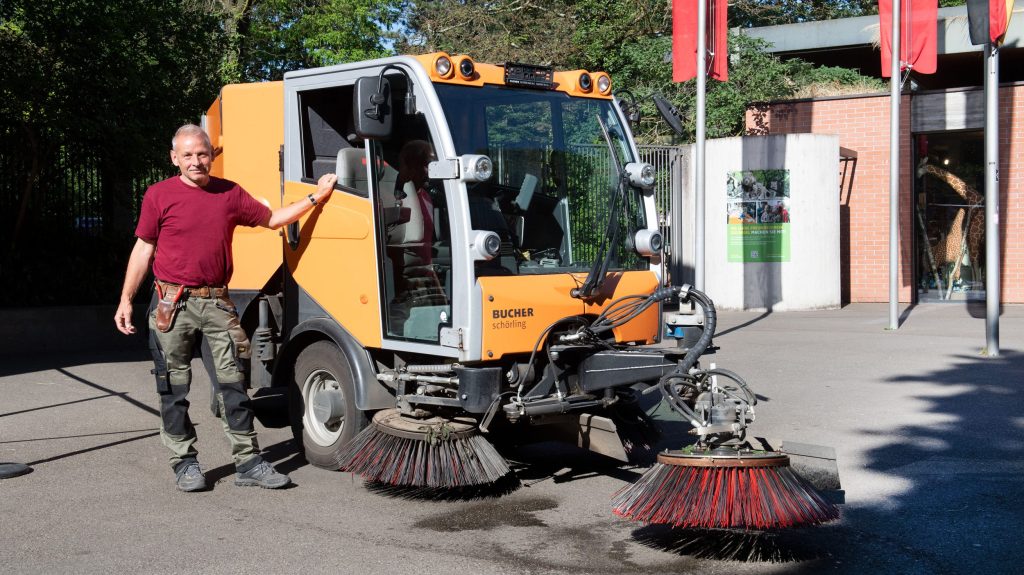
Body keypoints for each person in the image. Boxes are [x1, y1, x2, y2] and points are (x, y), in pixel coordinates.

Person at [114, 124, 338, 492]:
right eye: (187, 155)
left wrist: (317, 197)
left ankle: (249, 462)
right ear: (175, 159)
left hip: (217, 303)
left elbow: (273, 220)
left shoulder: (229, 193)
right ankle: (184, 463)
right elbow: (143, 249)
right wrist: (125, 299)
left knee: (232, 385)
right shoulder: (158, 195)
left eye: (202, 154)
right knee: (173, 388)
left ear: (212, 155)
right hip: (171, 305)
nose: (196, 161)